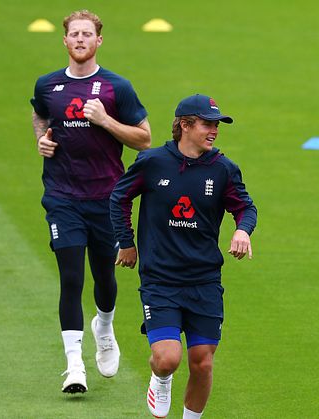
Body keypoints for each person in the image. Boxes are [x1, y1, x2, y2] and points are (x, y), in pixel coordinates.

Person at [110, 94, 257, 419]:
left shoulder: (222, 169)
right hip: (160, 280)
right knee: (168, 358)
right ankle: (161, 379)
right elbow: (119, 197)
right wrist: (126, 242)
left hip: (204, 281)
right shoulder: (152, 162)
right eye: (207, 123)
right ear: (184, 125)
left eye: (217, 124)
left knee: (202, 361)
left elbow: (246, 206)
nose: (214, 130)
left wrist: (242, 230)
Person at [30, 9, 151, 393]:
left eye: (87, 34)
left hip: (105, 198)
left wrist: (105, 121)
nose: (80, 40)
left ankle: (105, 325)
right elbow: (39, 114)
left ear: (99, 41)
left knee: (104, 276)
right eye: (74, 34)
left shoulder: (118, 88)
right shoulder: (48, 85)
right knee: (70, 276)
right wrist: (42, 139)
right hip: (62, 198)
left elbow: (143, 139)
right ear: (65, 41)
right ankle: (74, 366)